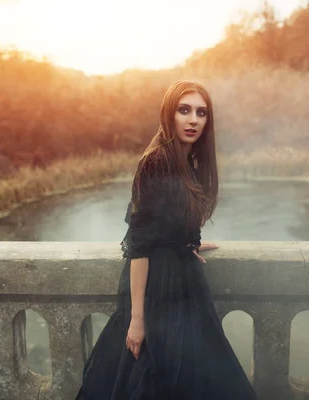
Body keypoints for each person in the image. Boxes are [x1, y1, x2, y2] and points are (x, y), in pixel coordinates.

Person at [75, 80, 257, 400]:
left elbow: (168, 220)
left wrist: (187, 242)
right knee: (159, 378)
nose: (193, 120)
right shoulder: (156, 161)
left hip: (184, 279)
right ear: (168, 114)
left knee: (195, 375)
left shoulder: (186, 161)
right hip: (160, 286)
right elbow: (140, 243)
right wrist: (138, 319)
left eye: (201, 113)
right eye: (184, 110)